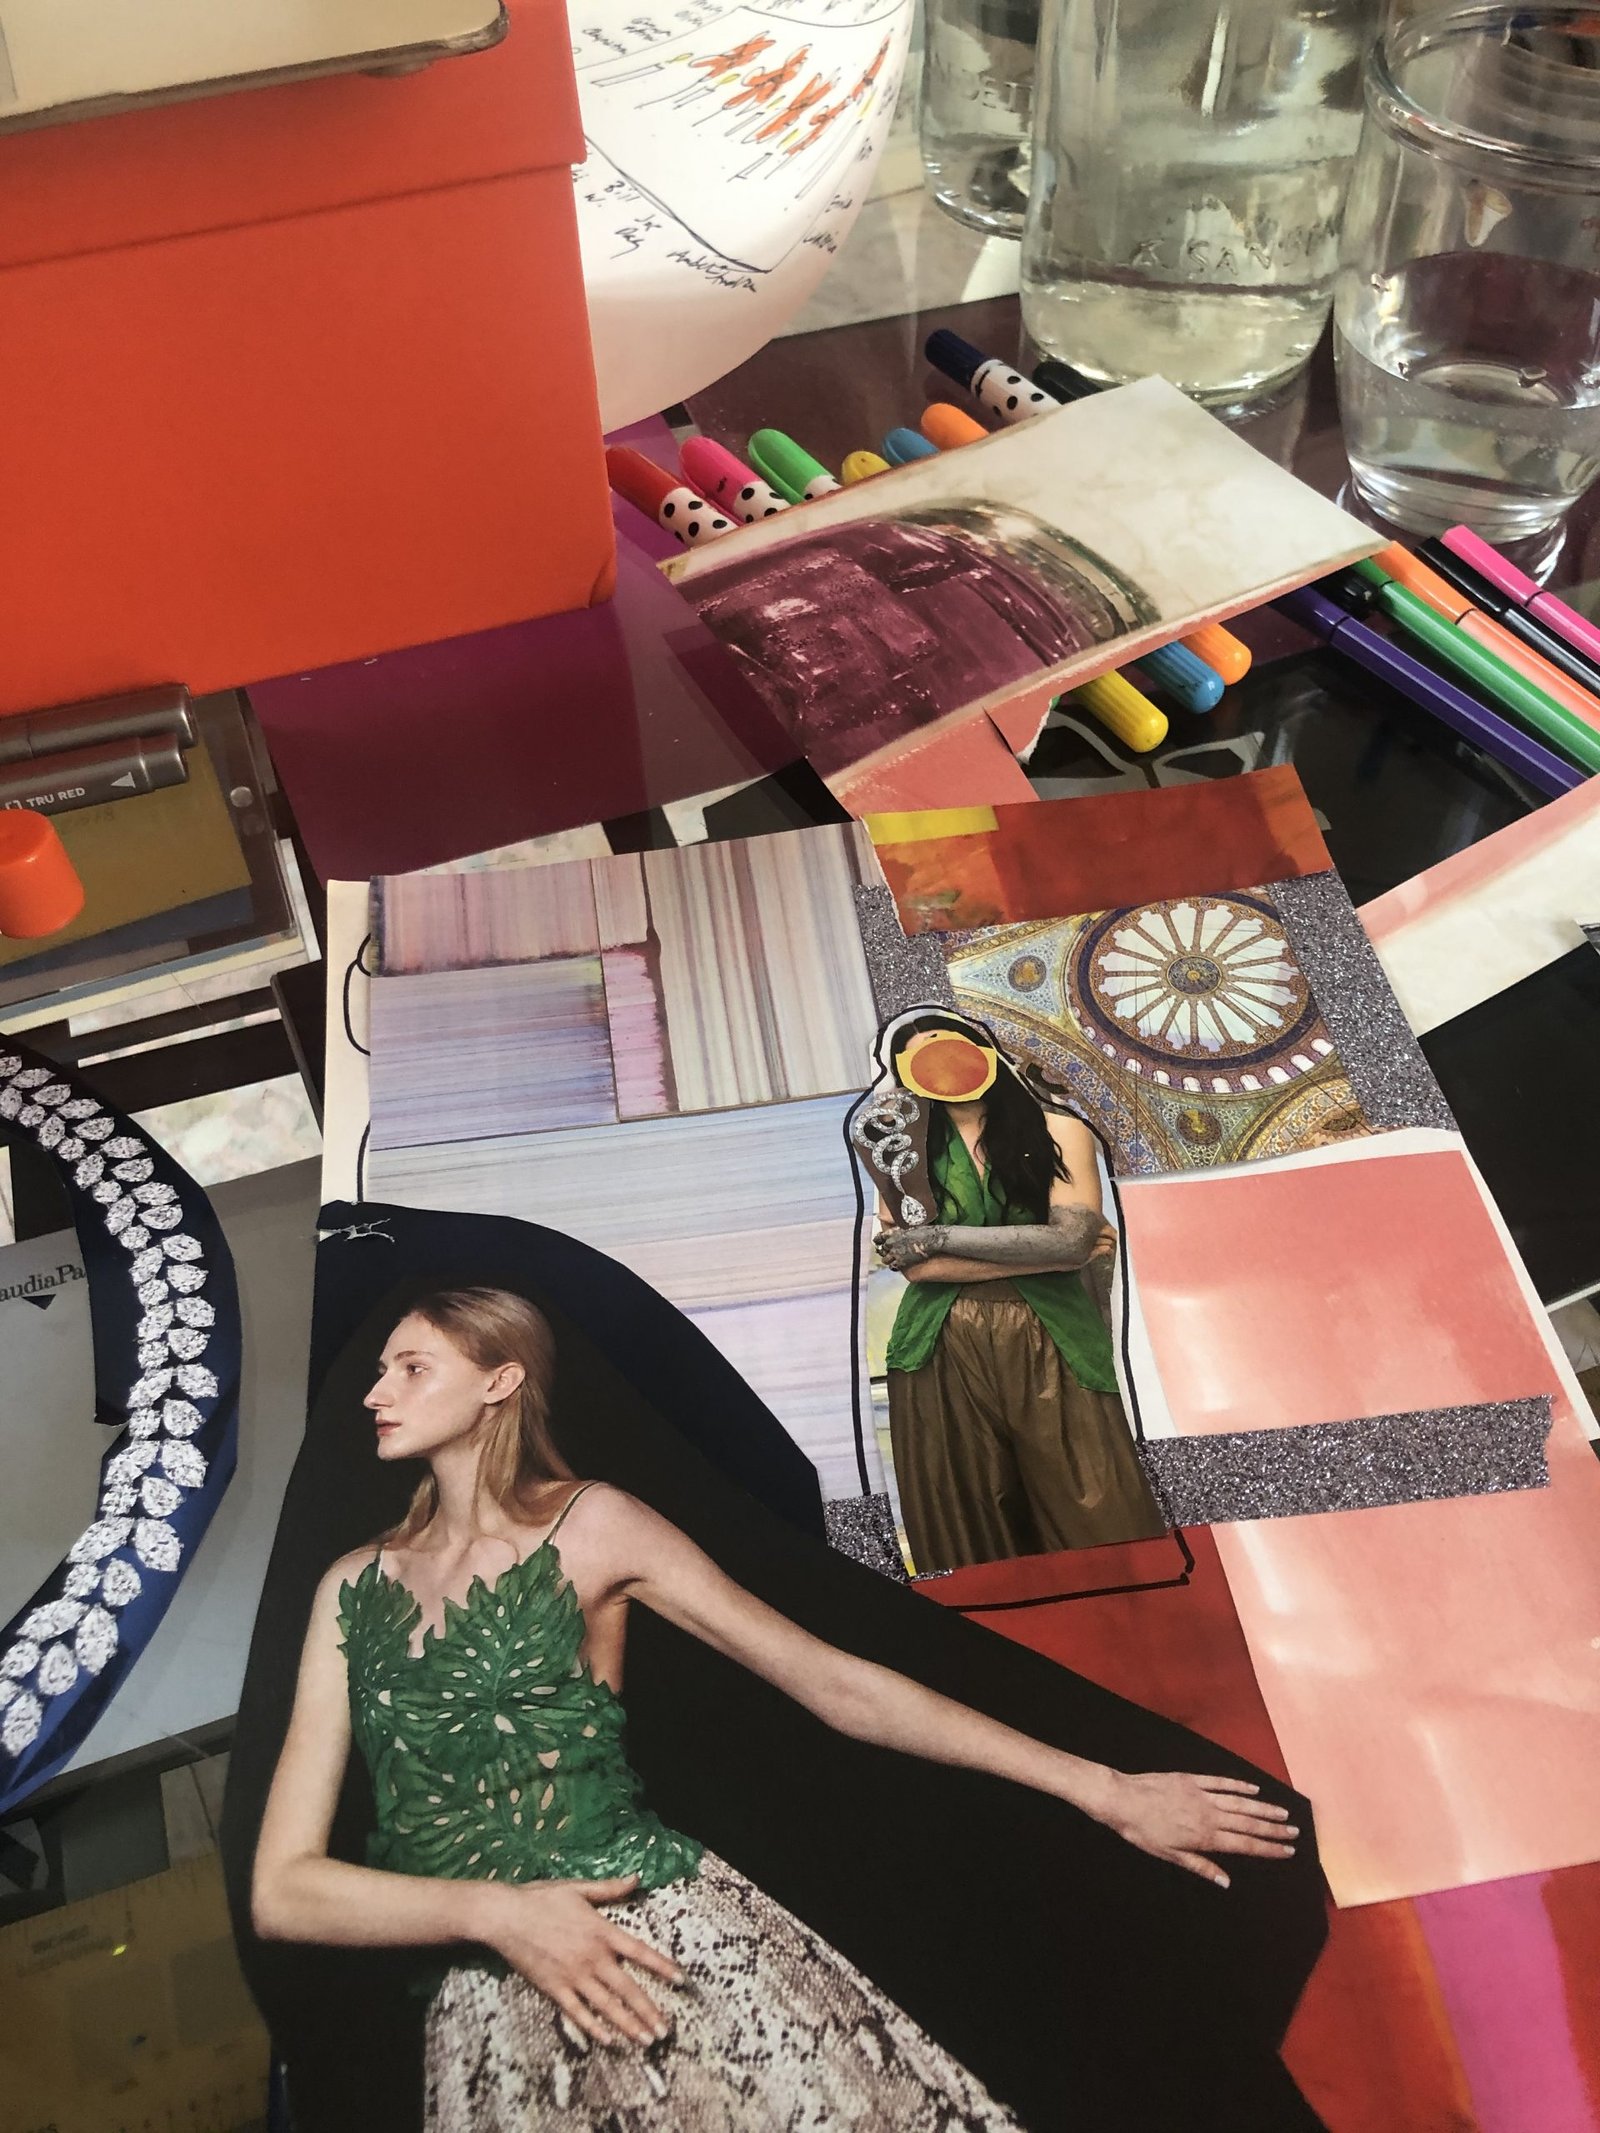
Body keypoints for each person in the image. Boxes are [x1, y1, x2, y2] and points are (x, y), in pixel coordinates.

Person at [252, 1285, 1298, 2130]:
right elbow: (283, 1889)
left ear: (500, 1380)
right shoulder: (351, 1588)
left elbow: (832, 1681)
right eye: (382, 1369)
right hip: (488, 2018)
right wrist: (493, 1913)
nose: (376, 1392)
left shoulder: (594, 1526)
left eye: (411, 1367)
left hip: (661, 1951)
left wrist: (1103, 1788)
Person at [868, 1012, 1165, 1571]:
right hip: (938, 1346)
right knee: (973, 1532)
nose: (936, 1054)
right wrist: (1046, 1254)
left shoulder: (1058, 1131)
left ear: (985, 1051)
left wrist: (939, 1237)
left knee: (1100, 1513)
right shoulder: (901, 1155)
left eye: (947, 1041)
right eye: (918, 1050)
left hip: (1057, 1338)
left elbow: (1071, 1241)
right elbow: (919, 1271)